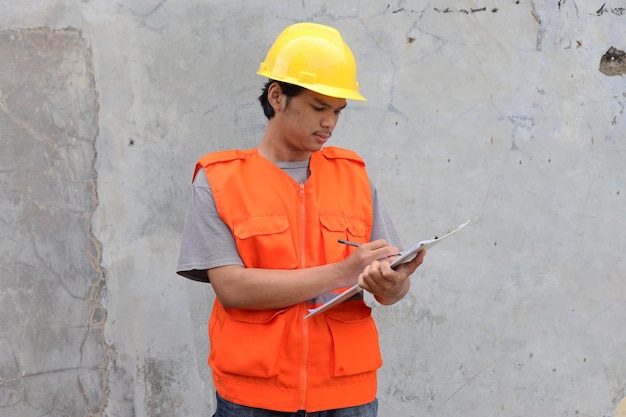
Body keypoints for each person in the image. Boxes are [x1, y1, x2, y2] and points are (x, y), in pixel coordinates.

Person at [176, 22, 426, 417]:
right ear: (277, 96)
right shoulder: (219, 179)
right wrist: (342, 272)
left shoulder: (353, 175)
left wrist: (393, 284)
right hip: (255, 398)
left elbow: (390, 289)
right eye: (318, 107)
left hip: (349, 396)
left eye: (337, 111)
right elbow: (233, 289)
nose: (329, 122)